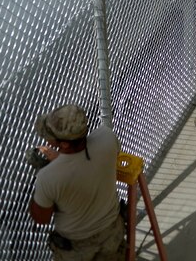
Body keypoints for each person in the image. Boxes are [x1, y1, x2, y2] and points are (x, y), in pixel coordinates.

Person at [29, 104, 126, 260]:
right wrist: (61, 159)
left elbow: (41, 218)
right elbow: (85, 164)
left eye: (50, 136)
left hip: (78, 247)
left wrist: (44, 169)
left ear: (64, 144)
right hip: (112, 233)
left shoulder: (48, 177)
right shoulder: (107, 137)